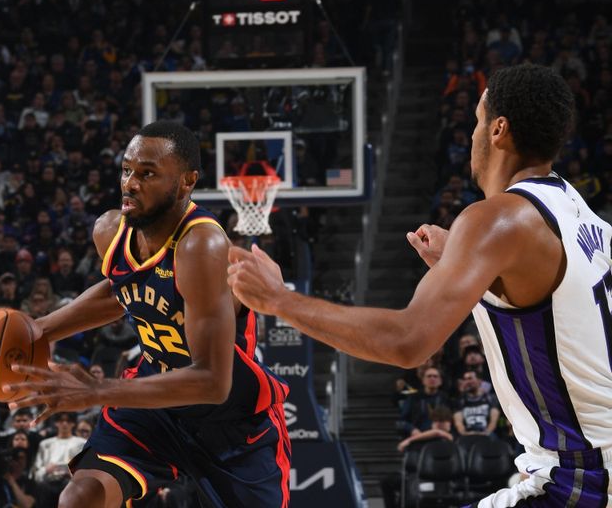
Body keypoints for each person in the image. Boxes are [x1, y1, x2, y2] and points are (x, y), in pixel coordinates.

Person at [227, 64, 612, 506]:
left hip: (579, 483)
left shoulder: (498, 220)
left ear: (499, 130)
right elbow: (559, 315)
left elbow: (407, 343)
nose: (472, 136)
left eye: (477, 122)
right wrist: (473, 274)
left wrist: (279, 300)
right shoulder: (579, 211)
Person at [4, 122, 291, 508]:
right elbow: (122, 291)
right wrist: (38, 330)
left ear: (187, 181)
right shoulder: (111, 231)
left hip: (232, 421)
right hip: (154, 400)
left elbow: (212, 382)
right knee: (80, 497)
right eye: (126, 170)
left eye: (147, 173)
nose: (130, 183)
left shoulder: (201, 244)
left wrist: (95, 391)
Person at [31, 412, 86, 508]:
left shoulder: (81, 443)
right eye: (61, 421)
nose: (64, 424)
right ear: (56, 423)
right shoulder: (45, 444)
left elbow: (86, 469)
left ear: (73, 423)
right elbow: (36, 473)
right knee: (42, 488)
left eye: (68, 421)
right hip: (47, 482)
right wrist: (46, 470)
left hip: (71, 482)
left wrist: (73, 473)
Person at [454, 370, 501, 437]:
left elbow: (493, 422)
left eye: (470, 378)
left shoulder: (491, 398)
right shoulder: (460, 400)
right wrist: (465, 434)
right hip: (467, 435)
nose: (467, 382)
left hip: (487, 434)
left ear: (479, 381)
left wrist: (486, 433)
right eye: (465, 379)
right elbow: (458, 423)